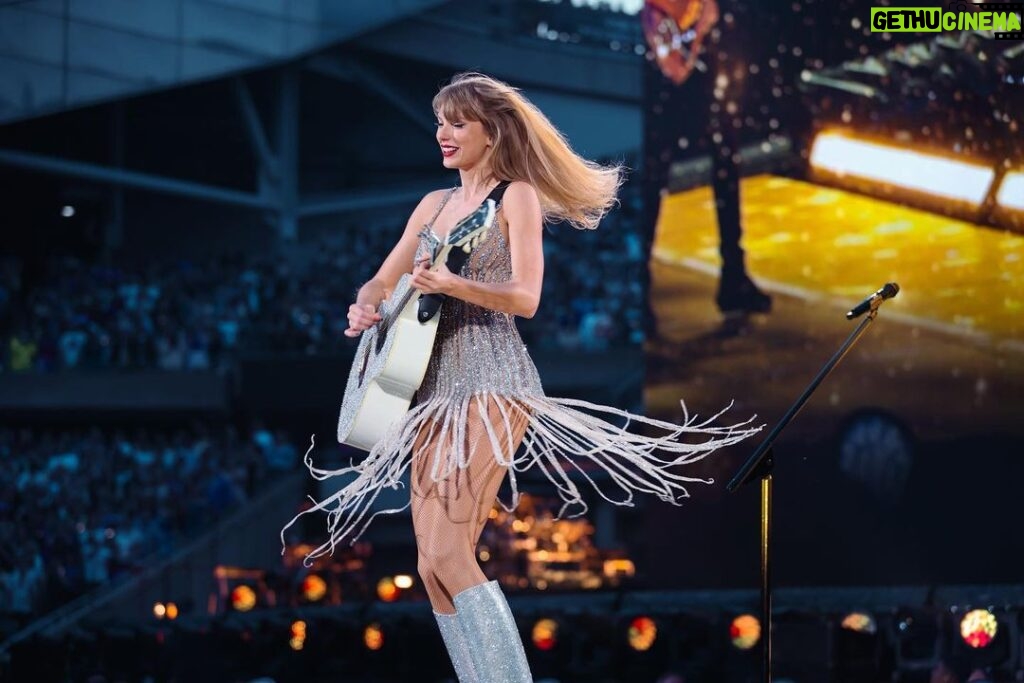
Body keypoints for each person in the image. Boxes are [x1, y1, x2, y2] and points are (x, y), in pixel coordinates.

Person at [281, 72, 759, 683]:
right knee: (430, 564)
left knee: (453, 552)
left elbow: (525, 297)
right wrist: (366, 302)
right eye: (440, 121)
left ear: (492, 131)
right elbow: (382, 277)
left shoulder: (516, 198)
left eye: (458, 123)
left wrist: (451, 283)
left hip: (492, 381)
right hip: (428, 391)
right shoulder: (432, 206)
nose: (443, 133)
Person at [642, 0, 772, 316]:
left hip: (695, 40)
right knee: (660, 172)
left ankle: (733, 277)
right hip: (672, 38)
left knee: (719, 163)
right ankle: (730, 278)